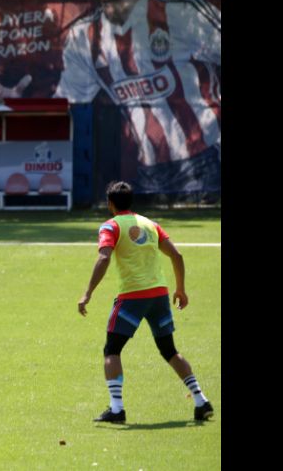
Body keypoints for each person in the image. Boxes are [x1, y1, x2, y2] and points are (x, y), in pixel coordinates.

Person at [0, 0, 221, 197]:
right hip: (149, 173)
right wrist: (21, 103)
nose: (112, 2)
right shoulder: (85, 36)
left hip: (206, 159)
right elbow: (69, 102)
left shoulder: (180, 11)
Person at [77, 181, 213, 423]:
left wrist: (88, 292)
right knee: (169, 350)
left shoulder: (111, 226)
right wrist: (180, 289)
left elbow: (104, 257)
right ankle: (201, 400)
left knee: (112, 350)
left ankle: (117, 409)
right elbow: (177, 255)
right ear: (131, 202)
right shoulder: (150, 225)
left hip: (132, 297)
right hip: (159, 295)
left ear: (110, 204)